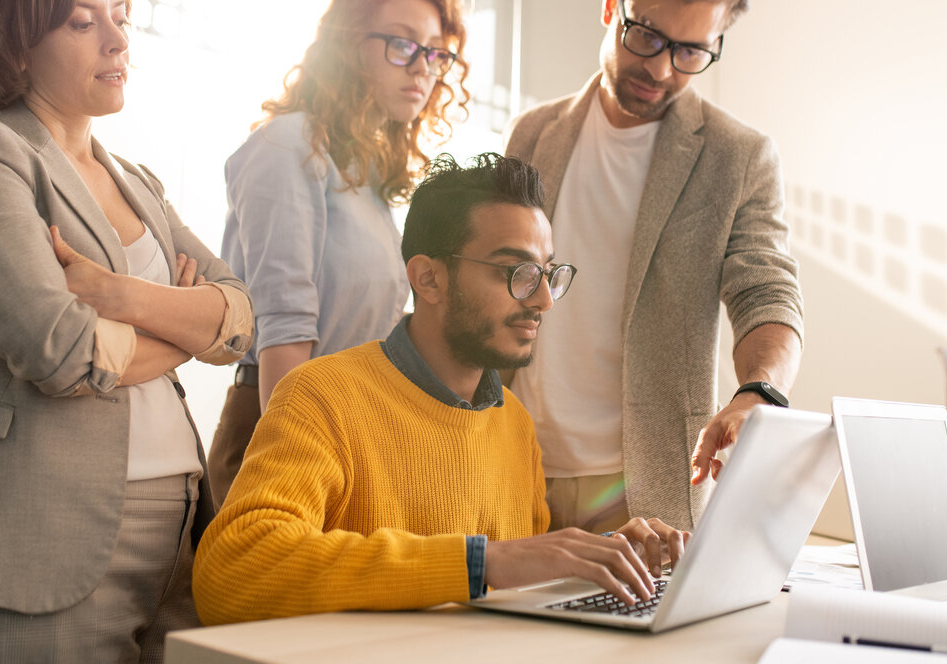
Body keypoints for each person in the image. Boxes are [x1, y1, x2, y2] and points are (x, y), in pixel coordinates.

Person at [0, 0, 253, 662]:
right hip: (36, 529)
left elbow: (241, 320)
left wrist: (114, 296)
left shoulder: (141, 183)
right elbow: (58, 350)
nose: (118, 43)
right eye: (81, 21)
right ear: (15, 39)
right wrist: (184, 325)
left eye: (120, 18)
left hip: (180, 533)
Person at [192, 153, 688, 625]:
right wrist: (478, 564)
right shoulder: (321, 396)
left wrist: (597, 560)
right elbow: (232, 570)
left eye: (546, 274)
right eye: (516, 272)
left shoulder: (512, 421)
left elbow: (514, 583)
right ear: (428, 278)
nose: (542, 300)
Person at [504, 0, 804, 532]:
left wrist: (759, 391)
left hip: (642, 486)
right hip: (509, 464)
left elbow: (766, 291)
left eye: (692, 52)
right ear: (613, 4)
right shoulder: (533, 134)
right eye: (646, 36)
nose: (663, 69)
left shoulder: (737, 156)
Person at [206, 0, 471, 504]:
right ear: (351, 46)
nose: (422, 67)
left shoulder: (368, 176)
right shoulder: (292, 144)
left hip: (346, 434)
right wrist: (296, 465)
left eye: (436, 52)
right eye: (402, 44)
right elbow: (286, 328)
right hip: (281, 432)